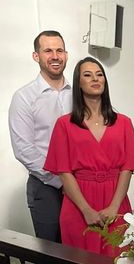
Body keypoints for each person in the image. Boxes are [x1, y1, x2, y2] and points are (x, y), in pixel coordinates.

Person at [44, 57, 134, 257]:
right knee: (80, 258)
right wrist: (86, 210)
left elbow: (127, 168)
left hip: (116, 200)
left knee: (119, 257)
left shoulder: (124, 122)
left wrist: (114, 206)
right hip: (78, 204)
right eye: (87, 75)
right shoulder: (64, 124)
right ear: (78, 83)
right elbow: (64, 172)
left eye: (99, 75)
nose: (95, 79)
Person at [9, 30, 72, 242]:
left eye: (59, 50)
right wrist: (62, 182)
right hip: (47, 188)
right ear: (36, 56)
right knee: (53, 253)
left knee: (84, 251)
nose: (55, 56)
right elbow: (24, 150)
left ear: (66, 54)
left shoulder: (79, 95)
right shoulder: (24, 97)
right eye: (48, 51)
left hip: (82, 184)